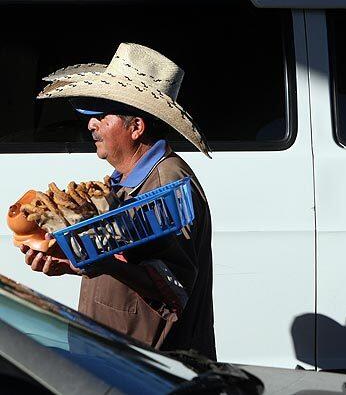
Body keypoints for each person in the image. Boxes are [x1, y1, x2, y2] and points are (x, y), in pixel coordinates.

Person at [19, 43, 216, 359]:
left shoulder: (167, 181)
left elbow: (173, 286)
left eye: (102, 115)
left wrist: (102, 262)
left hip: (153, 370)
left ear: (136, 127)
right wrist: (71, 263)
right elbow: (131, 262)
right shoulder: (119, 182)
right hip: (117, 360)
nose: (90, 124)